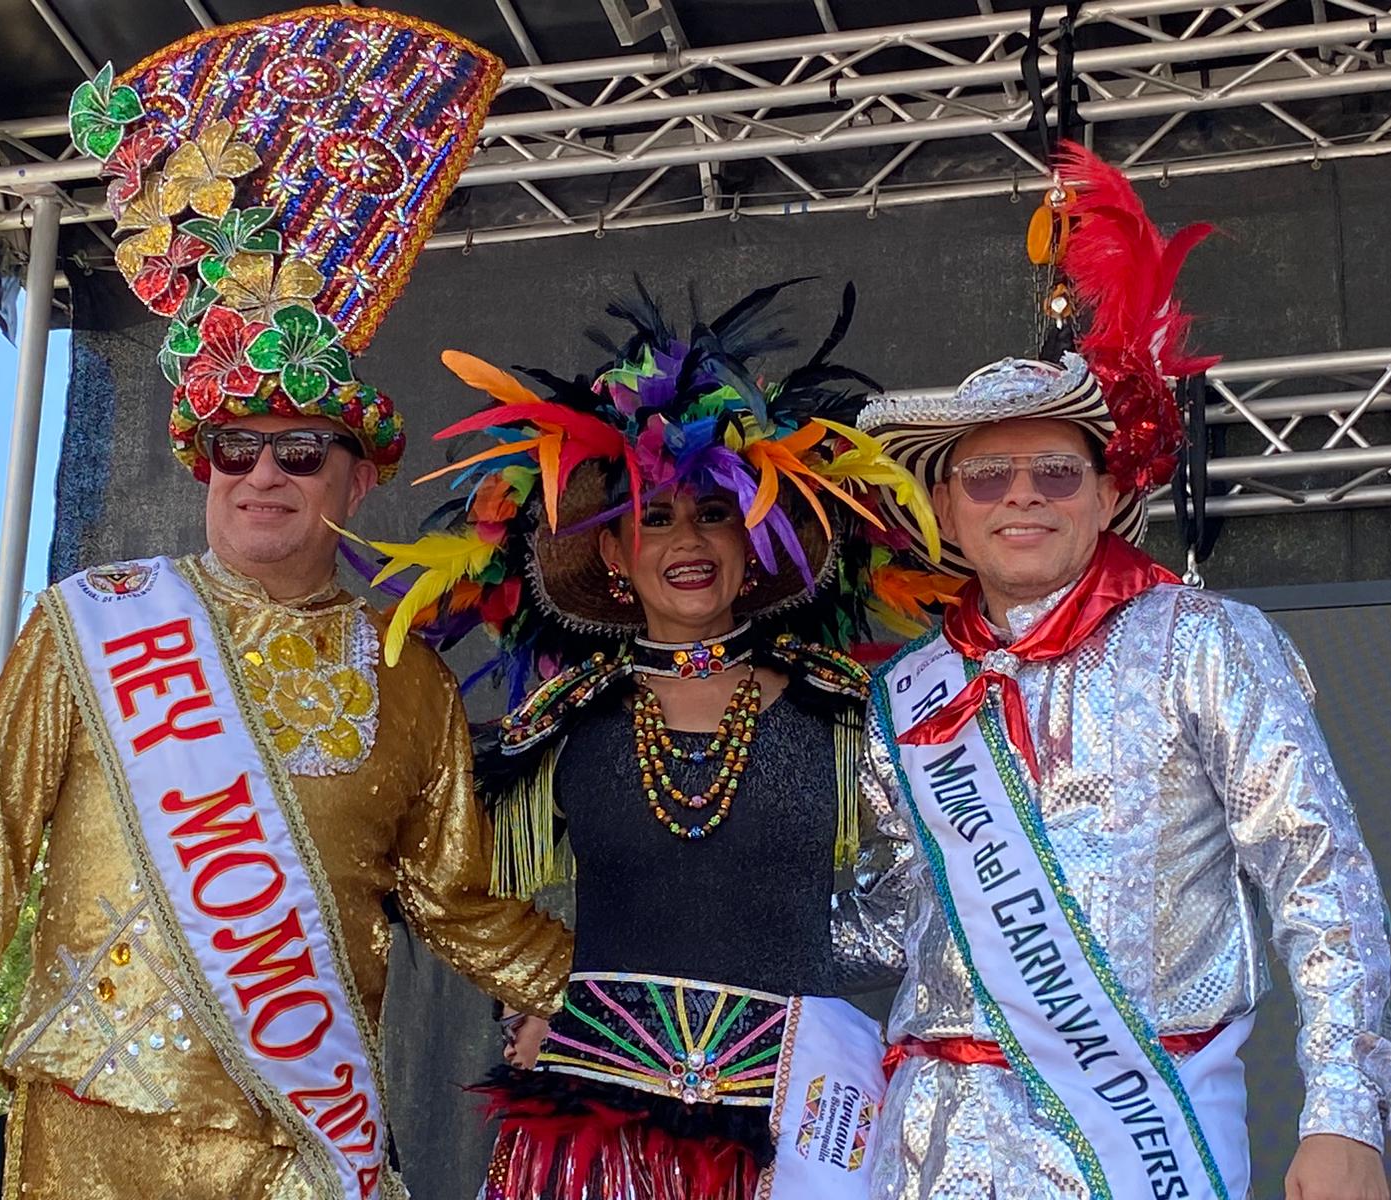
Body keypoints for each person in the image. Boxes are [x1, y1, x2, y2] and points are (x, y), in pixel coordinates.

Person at [0, 12, 570, 1200]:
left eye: (300, 451)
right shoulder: (91, 621)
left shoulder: (407, 673)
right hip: (96, 1116)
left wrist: (582, 992)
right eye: (236, 448)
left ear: (357, 476)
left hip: (301, 1138)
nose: (264, 474)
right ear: (202, 466)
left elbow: (451, 899)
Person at [843, 142, 1391, 1200]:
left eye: (1056, 470)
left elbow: (1319, 872)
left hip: (1144, 1120)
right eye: (987, 476)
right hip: (933, 1134)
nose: (1022, 495)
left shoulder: (1204, 641)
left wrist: (1343, 1108)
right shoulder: (900, 695)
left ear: (1108, 497)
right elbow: (878, 922)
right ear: (942, 514)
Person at [345, 281, 948, 1200]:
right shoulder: (565, 719)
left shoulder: (848, 716)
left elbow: (924, 896)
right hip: (597, 1124)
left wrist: (787, 988)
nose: (687, 540)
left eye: (713, 512)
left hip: (800, 1125)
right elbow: (458, 888)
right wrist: (537, 996)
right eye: (654, 518)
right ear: (616, 558)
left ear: (754, 536)